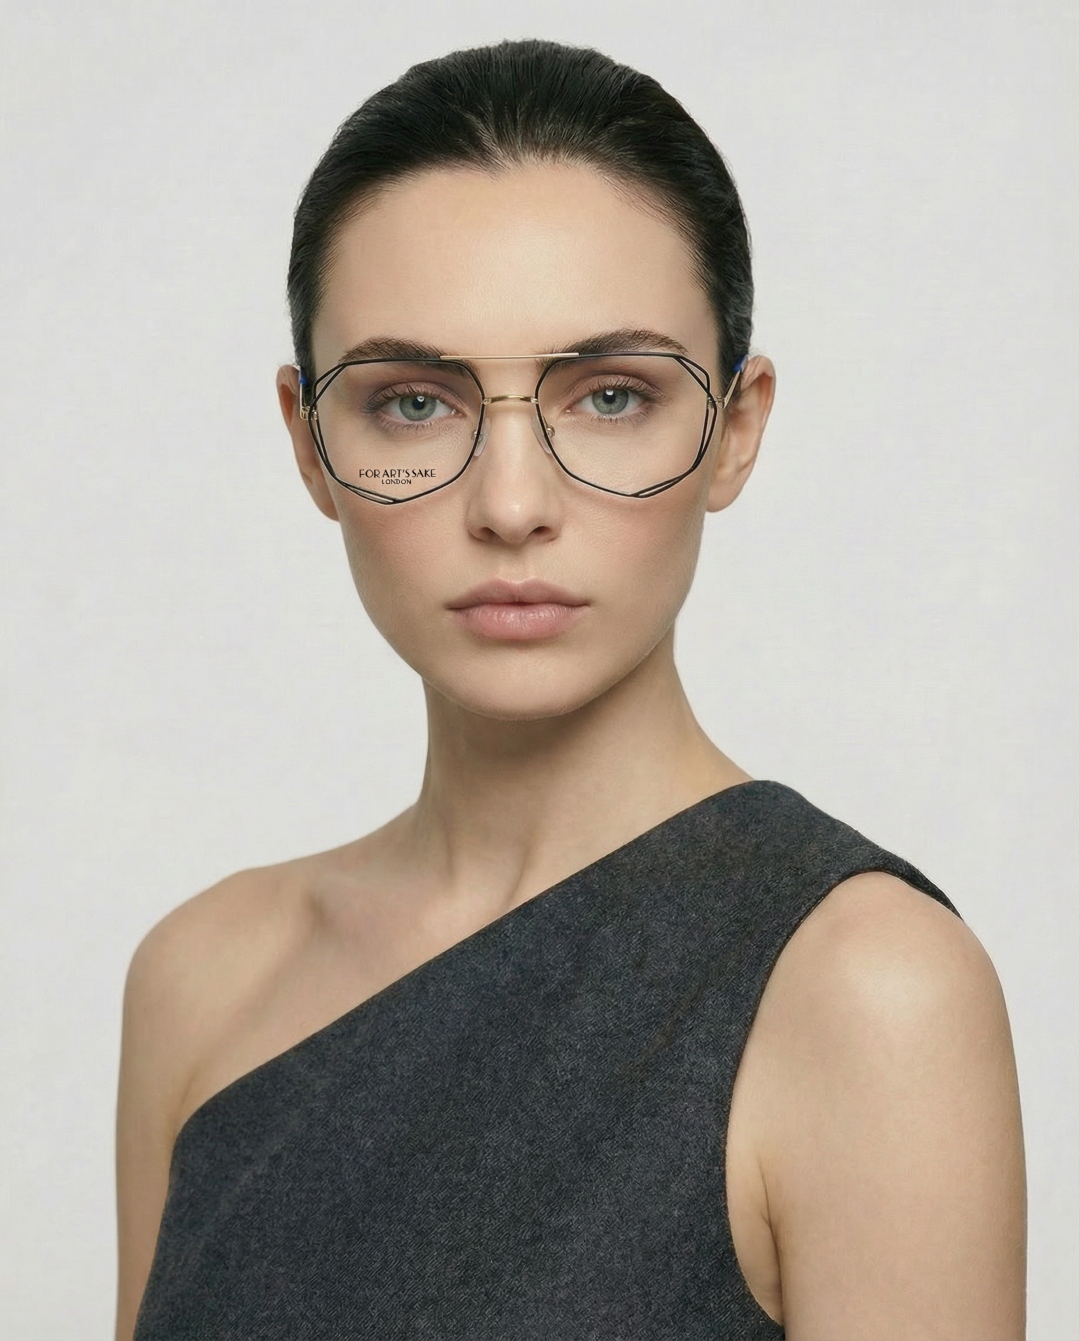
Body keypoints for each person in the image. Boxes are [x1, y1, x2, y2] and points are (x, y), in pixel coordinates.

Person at [114, 38, 1026, 1341]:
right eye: (413, 404)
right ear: (309, 442)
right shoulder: (201, 979)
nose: (511, 505)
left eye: (610, 395)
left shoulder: (867, 994)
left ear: (737, 426)